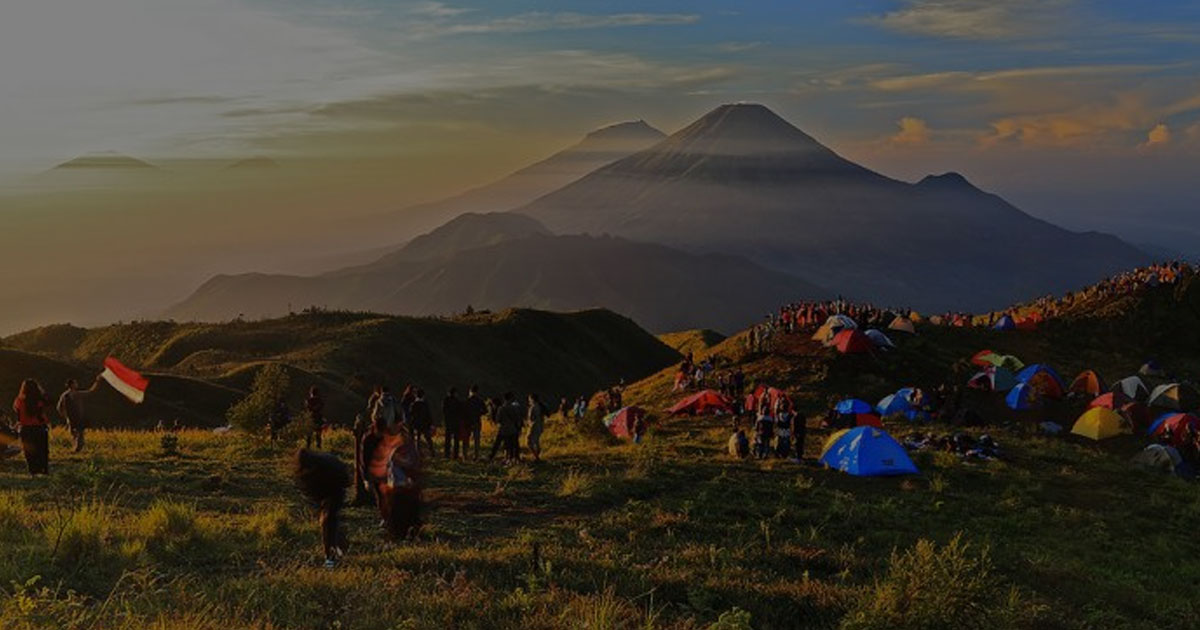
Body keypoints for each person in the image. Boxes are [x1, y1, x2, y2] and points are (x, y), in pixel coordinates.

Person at [293, 448, 350, 568]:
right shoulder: (304, 472)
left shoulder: (329, 465)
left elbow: (345, 480)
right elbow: (306, 489)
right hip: (321, 494)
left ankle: (330, 558)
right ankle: (337, 542)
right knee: (327, 521)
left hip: (335, 490)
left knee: (328, 520)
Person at [13, 379, 51, 475]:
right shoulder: (40, 400)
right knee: (42, 450)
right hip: (40, 428)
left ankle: (32, 471)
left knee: (29, 451)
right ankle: (44, 470)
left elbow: (18, 416)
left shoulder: (19, 400)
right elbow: (48, 403)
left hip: (26, 429)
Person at [56, 376, 101, 453]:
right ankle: (77, 450)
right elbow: (91, 391)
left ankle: (76, 450)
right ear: (72, 385)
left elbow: (59, 407)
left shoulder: (65, 395)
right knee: (79, 434)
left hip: (71, 418)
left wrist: (65, 416)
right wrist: (97, 382)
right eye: (75, 383)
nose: (77, 384)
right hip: (78, 417)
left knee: (75, 434)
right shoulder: (76, 394)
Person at [490, 392, 523, 464]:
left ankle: (493, 457)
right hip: (513, 429)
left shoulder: (501, 408)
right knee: (512, 445)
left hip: (503, 429)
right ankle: (512, 458)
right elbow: (517, 419)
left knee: (499, 443)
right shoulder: (514, 408)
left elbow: (498, 420)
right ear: (510, 398)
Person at [409, 389, 435, 457]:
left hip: (417, 424)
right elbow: (428, 415)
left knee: (417, 439)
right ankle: (432, 452)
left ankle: (418, 453)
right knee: (428, 438)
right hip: (424, 424)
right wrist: (431, 423)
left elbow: (411, 415)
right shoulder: (425, 404)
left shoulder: (413, 404)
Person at [464, 385, 486, 460]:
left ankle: (465, 455)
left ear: (470, 391)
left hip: (468, 422)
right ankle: (476, 456)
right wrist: (479, 413)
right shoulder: (479, 400)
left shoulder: (467, 400)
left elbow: (463, 411)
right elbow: (485, 411)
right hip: (477, 421)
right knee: (476, 440)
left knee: (466, 439)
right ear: (477, 392)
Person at [442, 388, 463, 459]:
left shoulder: (446, 400)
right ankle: (455, 455)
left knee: (447, 439)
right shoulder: (457, 401)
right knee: (456, 440)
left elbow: (444, 411)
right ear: (454, 393)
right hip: (456, 423)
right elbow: (460, 412)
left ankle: (447, 454)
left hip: (448, 422)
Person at [526, 393, 546, 462]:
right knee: (536, 441)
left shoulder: (533, 407)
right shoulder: (540, 406)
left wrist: (528, 423)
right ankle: (537, 457)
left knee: (529, 441)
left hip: (533, 426)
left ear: (532, 399)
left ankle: (536, 457)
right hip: (540, 425)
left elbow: (531, 418)